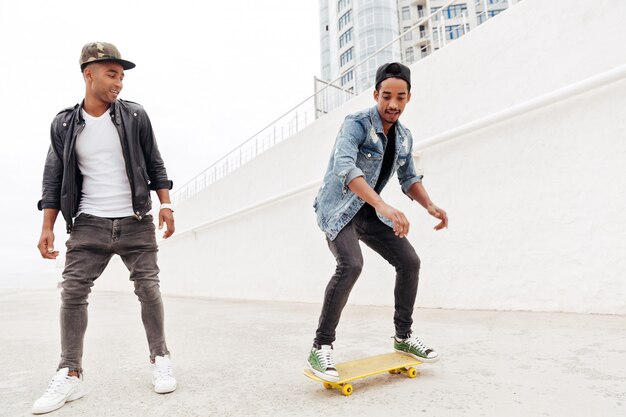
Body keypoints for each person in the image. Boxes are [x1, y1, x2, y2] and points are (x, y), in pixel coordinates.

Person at [33, 42, 177, 414]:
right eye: (112, 74)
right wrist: (47, 226)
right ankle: (70, 374)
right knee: (73, 292)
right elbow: (53, 181)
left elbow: (155, 162)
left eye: (122, 76)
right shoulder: (64, 124)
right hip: (88, 224)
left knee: (148, 288)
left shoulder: (134, 116)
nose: (120, 83)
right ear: (89, 74)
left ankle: (160, 359)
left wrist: (166, 204)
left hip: (135, 220)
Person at [307, 62, 449, 382]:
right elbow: (345, 168)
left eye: (400, 97)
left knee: (409, 261)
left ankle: (403, 337)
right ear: (376, 94)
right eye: (386, 96)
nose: (393, 104)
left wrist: (430, 205)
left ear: (409, 98)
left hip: (368, 212)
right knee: (351, 265)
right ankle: (321, 346)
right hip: (338, 209)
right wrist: (383, 205)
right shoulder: (356, 124)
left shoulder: (404, 138)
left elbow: (409, 178)